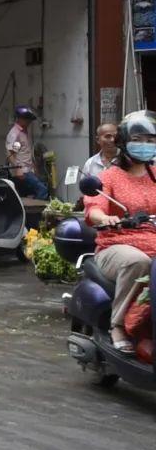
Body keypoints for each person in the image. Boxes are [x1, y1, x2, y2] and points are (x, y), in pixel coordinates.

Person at [82, 110, 156, 354]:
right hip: (116, 245)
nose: (145, 146)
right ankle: (118, 326)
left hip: (152, 241)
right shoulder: (109, 177)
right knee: (139, 262)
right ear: (124, 142)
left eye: (150, 140)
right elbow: (94, 208)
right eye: (138, 140)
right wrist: (107, 218)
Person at [6, 105, 49, 200]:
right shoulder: (15, 133)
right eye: (27, 119)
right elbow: (11, 153)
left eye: (29, 120)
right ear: (20, 119)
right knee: (42, 190)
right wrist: (17, 169)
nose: (29, 122)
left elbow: (24, 152)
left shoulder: (24, 133)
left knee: (25, 195)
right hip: (22, 171)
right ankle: (39, 213)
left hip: (28, 170)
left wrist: (34, 167)